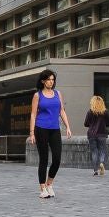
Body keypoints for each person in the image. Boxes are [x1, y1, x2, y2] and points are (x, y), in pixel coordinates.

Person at [26, 69, 71, 199]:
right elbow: (33, 114)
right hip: (41, 128)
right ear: (43, 81)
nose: (51, 82)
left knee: (57, 159)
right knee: (44, 159)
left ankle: (49, 183)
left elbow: (61, 111)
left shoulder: (58, 94)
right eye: (48, 80)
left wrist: (68, 126)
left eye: (53, 80)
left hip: (55, 129)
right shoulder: (37, 95)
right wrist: (32, 133)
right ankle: (42, 189)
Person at [84, 96, 109, 176]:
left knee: (94, 152)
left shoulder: (90, 112)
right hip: (102, 134)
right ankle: (101, 163)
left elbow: (86, 124)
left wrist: (91, 124)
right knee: (102, 150)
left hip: (91, 135)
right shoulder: (105, 112)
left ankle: (95, 170)